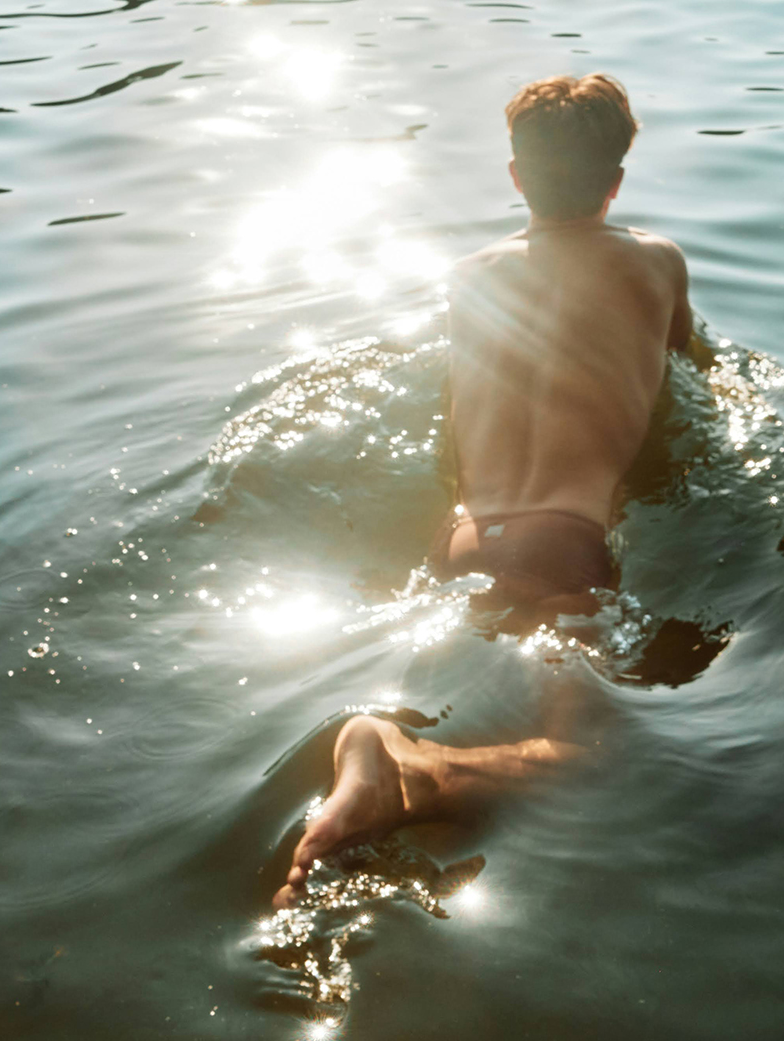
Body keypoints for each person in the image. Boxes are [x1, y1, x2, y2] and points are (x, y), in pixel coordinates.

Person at [275, 74, 693, 908]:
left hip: (461, 538)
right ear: (617, 180)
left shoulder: (469, 275)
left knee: (479, 673)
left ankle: (388, 794)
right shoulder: (657, 261)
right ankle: (417, 772)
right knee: (588, 757)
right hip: (565, 541)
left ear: (514, 177)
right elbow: (685, 373)